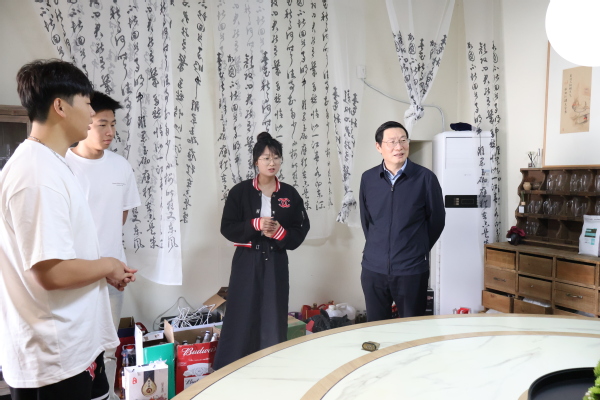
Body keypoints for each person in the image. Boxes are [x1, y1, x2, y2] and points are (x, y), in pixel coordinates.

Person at [0, 59, 136, 400]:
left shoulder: (51, 163)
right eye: (87, 103)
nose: (91, 113)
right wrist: (107, 264)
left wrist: (103, 271)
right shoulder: (36, 174)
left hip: (74, 345)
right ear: (60, 106)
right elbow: (51, 273)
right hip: (53, 358)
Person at [65, 91, 141, 399]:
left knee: (108, 347)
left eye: (113, 124)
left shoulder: (120, 166)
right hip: (74, 274)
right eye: (102, 124)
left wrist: (112, 263)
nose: (110, 131)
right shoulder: (63, 164)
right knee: (75, 350)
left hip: (113, 273)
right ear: (85, 122)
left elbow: (119, 216)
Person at [213, 132, 310, 370]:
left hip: (276, 260)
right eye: (266, 158)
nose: (271, 162)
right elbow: (227, 227)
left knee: (274, 312)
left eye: (276, 157)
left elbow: (301, 228)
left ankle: (271, 365)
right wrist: (254, 224)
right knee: (241, 310)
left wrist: (280, 233)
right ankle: (231, 367)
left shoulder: (289, 193)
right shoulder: (240, 192)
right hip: (246, 260)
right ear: (256, 161)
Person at [359, 121, 445, 321]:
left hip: (411, 270)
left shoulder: (425, 178)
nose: (399, 147)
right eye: (392, 142)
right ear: (379, 146)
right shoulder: (368, 179)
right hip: (373, 269)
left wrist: (417, 248)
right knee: (376, 329)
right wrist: (377, 248)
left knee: (412, 329)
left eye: (403, 140)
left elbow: (437, 220)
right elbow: (367, 221)